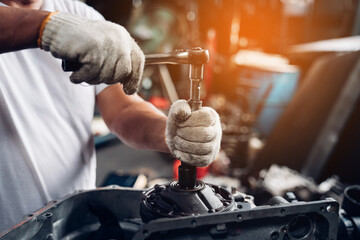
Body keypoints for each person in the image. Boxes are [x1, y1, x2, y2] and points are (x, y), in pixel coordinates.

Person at [0, 0, 222, 233]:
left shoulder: (82, 15)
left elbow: (122, 109)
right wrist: (47, 26)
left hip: (75, 224)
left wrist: (170, 134)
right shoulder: (63, 22)